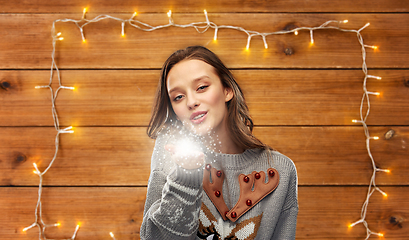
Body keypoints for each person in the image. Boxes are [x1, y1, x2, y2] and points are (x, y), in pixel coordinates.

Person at [140, 46, 298, 240]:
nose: (191, 102)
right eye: (178, 97)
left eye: (201, 87)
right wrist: (185, 178)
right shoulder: (170, 156)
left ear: (227, 90)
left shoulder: (280, 169)